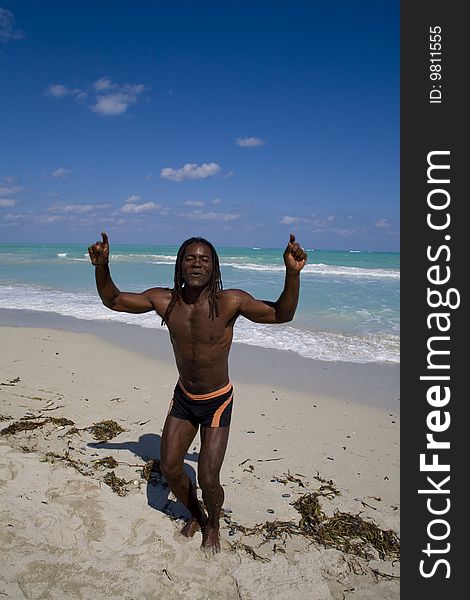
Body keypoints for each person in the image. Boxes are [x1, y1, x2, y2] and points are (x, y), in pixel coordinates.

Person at [88, 232, 307, 554]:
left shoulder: (230, 302)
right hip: (184, 398)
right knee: (171, 467)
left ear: (214, 267)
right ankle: (195, 514)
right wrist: (102, 266)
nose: (196, 263)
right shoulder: (165, 301)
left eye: (204, 259)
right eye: (190, 258)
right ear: (180, 265)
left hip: (217, 401)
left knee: (208, 478)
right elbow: (114, 300)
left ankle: (214, 525)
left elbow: (281, 314)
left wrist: (292, 273)